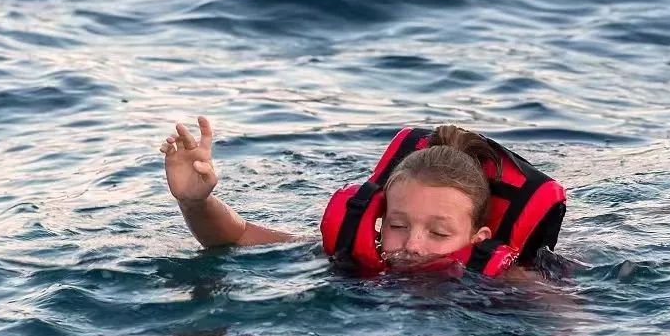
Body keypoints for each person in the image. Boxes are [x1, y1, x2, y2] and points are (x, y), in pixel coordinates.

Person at [160, 116, 569, 278]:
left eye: (439, 233)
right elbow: (233, 237)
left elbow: (568, 327)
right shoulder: (354, 252)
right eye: (396, 225)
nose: (411, 245)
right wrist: (194, 202)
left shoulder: (510, 281)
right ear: (379, 219)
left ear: (479, 237)